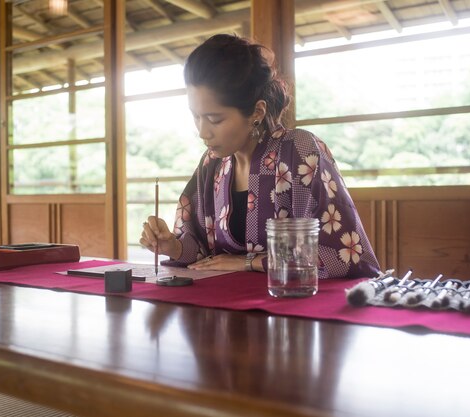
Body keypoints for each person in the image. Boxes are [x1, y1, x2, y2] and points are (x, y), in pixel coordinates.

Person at [141, 34, 379, 279]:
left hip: (293, 305)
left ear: (257, 111)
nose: (202, 132)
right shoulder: (211, 164)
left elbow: (345, 256)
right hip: (222, 307)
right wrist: (172, 246)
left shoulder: (300, 150)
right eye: (196, 116)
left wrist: (250, 262)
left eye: (215, 119)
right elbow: (203, 255)